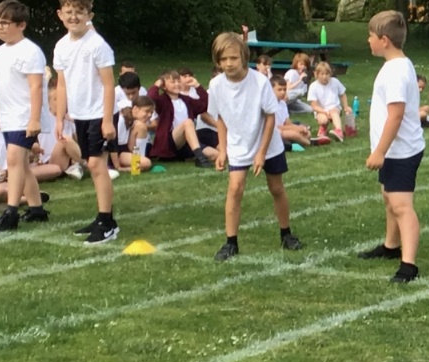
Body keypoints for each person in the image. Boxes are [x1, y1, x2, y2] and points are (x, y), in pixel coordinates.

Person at [207, 31, 302, 260]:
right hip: (238, 145)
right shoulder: (216, 85)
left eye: (233, 58)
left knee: (276, 188)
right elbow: (220, 118)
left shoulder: (259, 82)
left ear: (243, 57)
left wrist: (261, 153)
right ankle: (231, 242)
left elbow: (270, 117)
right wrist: (222, 149)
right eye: (223, 59)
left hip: (268, 144)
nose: (229, 64)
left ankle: (286, 234)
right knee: (235, 189)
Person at [51, 0, 121, 243]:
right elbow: (62, 84)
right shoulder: (61, 46)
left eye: (79, 12)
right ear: (60, 14)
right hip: (80, 114)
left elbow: (108, 84)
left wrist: (107, 120)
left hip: (100, 113)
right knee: (91, 163)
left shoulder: (97, 45)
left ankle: (107, 222)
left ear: (89, 15)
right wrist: (60, 118)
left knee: (95, 164)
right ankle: (102, 217)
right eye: (69, 11)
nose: (74, 17)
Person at [360, 10, 425, 283]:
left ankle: (408, 265)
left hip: (400, 151)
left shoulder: (396, 71)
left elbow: (396, 115)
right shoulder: (396, 65)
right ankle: (390, 246)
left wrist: (380, 151)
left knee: (401, 206)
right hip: (394, 150)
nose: (368, 40)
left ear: (384, 40)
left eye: (371, 36)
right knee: (389, 197)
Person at [0, 0, 51, 232]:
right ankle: (36, 208)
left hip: (25, 115)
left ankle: (10, 212)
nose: (0, 27)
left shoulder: (30, 51)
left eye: (5, 23)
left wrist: (34, 119)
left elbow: (36, 86)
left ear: (21, 25)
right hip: (9, 115)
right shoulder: (0, 52)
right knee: (21, 163)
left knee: (13, 161)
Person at [148, 69, 212, 166]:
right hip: (169, 141)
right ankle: (200, 158)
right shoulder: (162, 100)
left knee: (214, 154)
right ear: (164, 86)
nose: (177, 84)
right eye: (173, 82)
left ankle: (194, 156)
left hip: (186, 142)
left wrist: (197, 86)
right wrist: (158, 84)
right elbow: (151, 97)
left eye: (178, 81)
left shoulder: (186, 100)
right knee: (188, 122)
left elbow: (205, 105)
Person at [307, 60, 347, 143]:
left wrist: (346, 107)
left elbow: (343, 94)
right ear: (317, 74)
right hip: (321, 110)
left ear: (330, 74)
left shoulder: (335, 82)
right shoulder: (313, 86)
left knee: (334, 111)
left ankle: (339, 131)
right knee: (323, 119)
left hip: (334, 107)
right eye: (322, 74)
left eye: (327, 74)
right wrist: (324, 111)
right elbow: (314, 105)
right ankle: (323, 127)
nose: (324, 77)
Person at [116, 95, 156, 173]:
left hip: (125, 151)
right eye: (147, 111)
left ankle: (138, 162)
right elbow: (113, 145)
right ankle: (130, 166)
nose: (150, 115)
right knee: (146, 163)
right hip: (118, 153)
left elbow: (132, 147)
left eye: (151, 112)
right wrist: (116, 165)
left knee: (141, 126)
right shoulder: (121, 120)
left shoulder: (136, 122)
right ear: (135, 109)